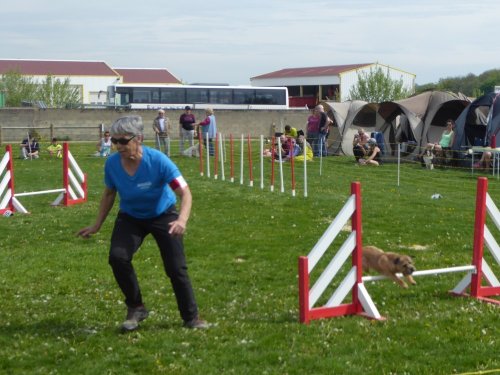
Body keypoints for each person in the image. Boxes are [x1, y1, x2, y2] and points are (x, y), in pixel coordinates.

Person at [77, 115, 207, 332]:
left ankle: (191, 317)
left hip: (163, 215)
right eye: (115, 141)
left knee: (176, 268)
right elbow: (109, 194)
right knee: (117, 257)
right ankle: (136, 307)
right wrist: (96, 224)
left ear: (138, 138)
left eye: (123, 141)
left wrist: (181, 220)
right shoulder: (112, 164)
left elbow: (185, 192)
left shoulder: (158, 161)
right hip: (131, 217)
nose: (118, 146)